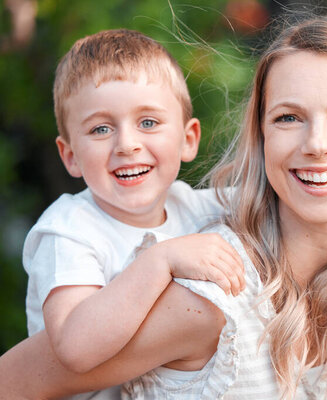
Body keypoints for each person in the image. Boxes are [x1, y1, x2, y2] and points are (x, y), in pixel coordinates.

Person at [0, 13, 327, 400]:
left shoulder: (195, 209)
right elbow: (30, 372)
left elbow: (250, 197)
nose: (317, 144)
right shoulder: (205, 294)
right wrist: (158, 262)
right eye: (288, 118)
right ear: (260, 137)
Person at [21, 29, 245, 399]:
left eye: (148, 123)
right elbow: (75, 349)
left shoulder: (191, 204)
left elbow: (271, 204)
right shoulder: (68, 231)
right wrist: (159, 261)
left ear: (188, 139)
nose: (127, 144)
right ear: (71, 155)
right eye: (101, 128)